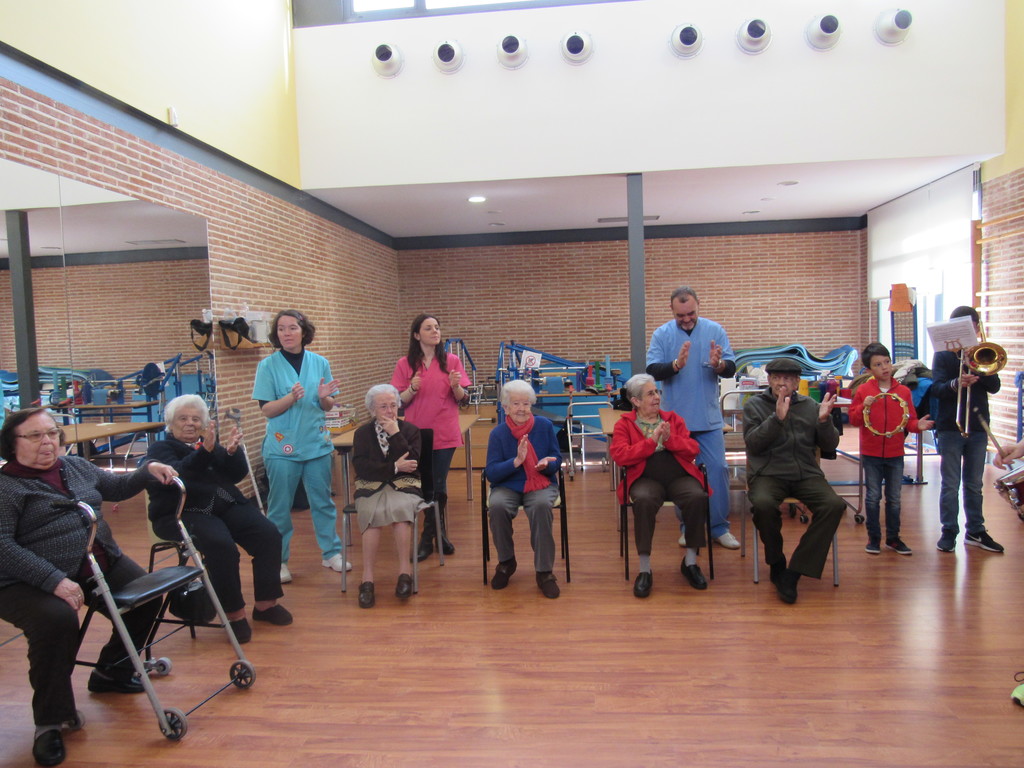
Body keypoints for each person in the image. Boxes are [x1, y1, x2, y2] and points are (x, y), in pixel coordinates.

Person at [0, 407, 178, 767]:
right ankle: (51, 720)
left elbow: (116, 487)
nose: (47, 442)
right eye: (35, 436)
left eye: (52, 433)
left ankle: (111, 672)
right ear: (12, 444)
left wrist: (147, 470)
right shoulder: (7, 487)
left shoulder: (74, 466)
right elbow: (3, 547)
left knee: (147, 597)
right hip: (23, 579)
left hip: (96, 561)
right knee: (56, 621)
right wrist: (53, 581)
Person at [146, 395, 291, 643]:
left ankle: (266, 605)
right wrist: (206, 451)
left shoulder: (207, 444)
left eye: (195, 419)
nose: (190, 423)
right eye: (183, 418)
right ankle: (234, 615)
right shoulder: (160, 449)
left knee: (268, 534)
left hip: (223, 504)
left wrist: (233, 453)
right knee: (221, 547)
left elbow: (235, 475)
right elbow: (180, 475)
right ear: (170, 423)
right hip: (183, 512)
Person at [252, 308, 347, 584]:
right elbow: (267, 409)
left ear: (304, 332)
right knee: (279, 508)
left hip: (316, 445)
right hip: (282, 450)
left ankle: (331, 553)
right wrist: (290, 399)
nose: (286, 333)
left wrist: (324, 397)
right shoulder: (267, 366)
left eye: (292, 328)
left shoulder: (320, 363)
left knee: (323, 502)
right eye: (281, 329)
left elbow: (327, 405)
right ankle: (279, 561)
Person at [743, 358, 846, 604]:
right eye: (777, 378)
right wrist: (776, 419)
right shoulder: (755, 405)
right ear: (769, 380)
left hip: (806, 473)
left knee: (834, 505)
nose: (782, 383)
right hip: (768, 473)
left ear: (797, 382)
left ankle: (795, 571)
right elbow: (753, 444)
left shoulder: (810, 406)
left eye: (788, 379)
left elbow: (830, 445)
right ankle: (776, 561)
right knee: (763, 505)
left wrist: (824, 422)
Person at [646, 286, 739, 550]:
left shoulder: (715, 330)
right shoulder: (662, 334)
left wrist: (719, 364)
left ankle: (719, 528)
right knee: (682, 476)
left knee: (718, 470)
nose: (686, 319)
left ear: (698, 305)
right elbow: (653, 370)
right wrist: (676, 365)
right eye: (680, 315)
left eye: (691, 314)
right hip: (676, 422)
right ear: (671, 310)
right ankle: (688, 528)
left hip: (708, 419)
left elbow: (731, 368)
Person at [609, 374, 710, 599]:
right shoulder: (624, 424)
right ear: (636, 401)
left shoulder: (673, 419)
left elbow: (693, 449)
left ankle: (690, 563)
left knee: (697, 496)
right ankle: (645, 569)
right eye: (650, 393)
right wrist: (652, 441)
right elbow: (620, 456)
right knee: (644, 500)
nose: (656, 397)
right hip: (644, 477)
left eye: (657, 392)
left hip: (678, 475)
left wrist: (670, 439)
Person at [390, 313, 471, 562]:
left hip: (445, 431)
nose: (435, 331)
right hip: (416, 435)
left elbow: (464, 400)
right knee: (426, 484)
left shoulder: (452, 361)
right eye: (428, 328)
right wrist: (412, 388)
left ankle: (427, 538)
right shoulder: (405, 364)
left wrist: (456, 386)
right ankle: (439, 535)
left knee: (437, 483)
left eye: (437, 327)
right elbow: (398, 402)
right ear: (417, 335)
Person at [930, 306, 1003, 554]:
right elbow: (937, 389)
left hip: (978, 426)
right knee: (950, 484)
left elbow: (995, 387)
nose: (967, 332)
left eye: (971, 327)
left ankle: (975, 530)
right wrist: (956, 383)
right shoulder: (944, 355)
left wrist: (979, 369)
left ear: (977, 328)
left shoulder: (984, 352)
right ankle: (949, 530)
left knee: (974, 484)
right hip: (951, 426)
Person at [848, 343, 933, 556]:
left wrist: (918, 426)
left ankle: (893, 539)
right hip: (871, 452)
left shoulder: (903, 391)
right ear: (869, 369)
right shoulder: (864, 390)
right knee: (873, 496)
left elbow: (909, 421)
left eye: (887, 362)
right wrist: (864, 406)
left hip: (895, 453)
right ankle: (874, 538)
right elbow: (854, 420)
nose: (884, 367)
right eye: (878, 364)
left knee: (894, 498)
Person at [484, 380, 562, 599]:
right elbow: (491, 472)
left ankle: (544, 572)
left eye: (526, 404)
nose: (522, 409)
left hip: (540, 482)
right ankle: (506, 562)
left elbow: (557, 458)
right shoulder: (498, 434)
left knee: (540, 505)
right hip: (507, 485)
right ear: (506, 407)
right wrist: (516, 462)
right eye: (516, 404)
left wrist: (548, 463)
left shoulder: (544, 426)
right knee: (497, 506)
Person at [351, 384, 420, 609]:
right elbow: (362, 467)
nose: (390, 411)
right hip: (371, 485)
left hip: (404, 485)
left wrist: (395, 434)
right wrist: (394, 467)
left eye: (393, 405)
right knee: (372, 513)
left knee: (400, 512)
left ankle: (405, 573)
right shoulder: (362, 433)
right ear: (372, 410)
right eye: (383, 407)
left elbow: (413, 462)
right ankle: (367, 579)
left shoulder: (409, 430)